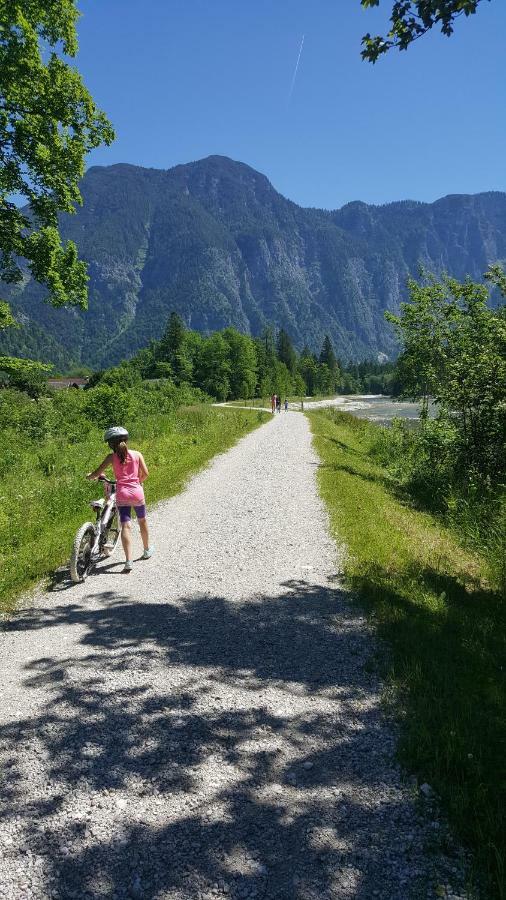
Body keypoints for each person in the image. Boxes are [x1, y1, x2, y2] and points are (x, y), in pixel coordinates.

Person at [87, 426, 154, 573]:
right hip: (137, 493)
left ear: (111, 444)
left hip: (122, 494)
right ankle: (147, 550)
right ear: (126, 440)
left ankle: (128, 561)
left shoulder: (111, 458)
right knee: (142, 521)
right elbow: (146, 474)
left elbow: (97, 473)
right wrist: (138, 482)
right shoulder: (137, 454)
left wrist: (90, 476)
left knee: (126, 526)